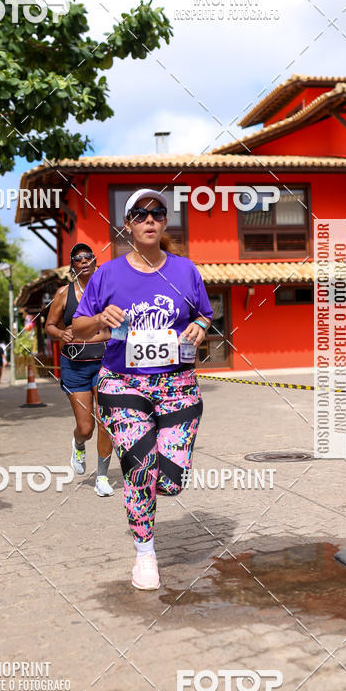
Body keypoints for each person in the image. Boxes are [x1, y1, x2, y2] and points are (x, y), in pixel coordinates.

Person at [73, 190, 213, 589]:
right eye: (140, 214)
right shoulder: (107, 274)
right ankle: (145, 554)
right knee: (140, 468)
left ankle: (163, 486)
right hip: (121, 382)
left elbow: (204, 313)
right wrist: (101, 315)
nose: (149, 220)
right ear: (128, 225)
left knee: (168, 480)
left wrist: (200, 329)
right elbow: (79, 328)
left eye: (157, 214)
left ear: (164, 223)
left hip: (177, 383)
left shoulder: (185, 271)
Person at [45, 243, 114, 497]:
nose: (84, 260)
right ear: (73, 265)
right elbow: (49, 326)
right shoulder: (64, 294)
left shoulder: (108, 292)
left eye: (88, 257)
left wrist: (96, 337)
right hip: (74, 366)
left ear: (95, 261)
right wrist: (61, 333)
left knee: (105, 420)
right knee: (86, 427)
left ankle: (103, 476)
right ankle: (78, 443)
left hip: (104, 364)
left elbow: (117, 326)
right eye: (78, 258)